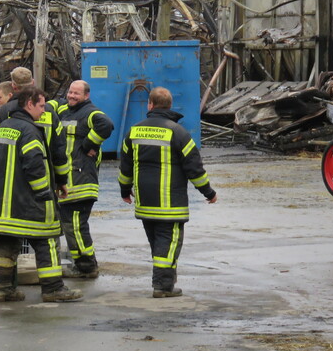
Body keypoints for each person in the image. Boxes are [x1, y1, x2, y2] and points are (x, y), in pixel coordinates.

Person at [0, 86, 82, 304]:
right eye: (40, 105)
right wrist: (45, 193)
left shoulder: (4, 127)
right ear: (29, 104)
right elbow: (35, 166)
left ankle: (1, 288)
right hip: (27, 201)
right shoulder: (31, 132)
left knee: (6, 244)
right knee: (47, 240)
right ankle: (53, 289)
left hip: (1, 204)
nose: (44, 110)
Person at [119, 86, 216, 298]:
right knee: (169, 243)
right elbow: (194, 168)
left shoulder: (134, 131)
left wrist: (125, 190)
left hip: (145, 202)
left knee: (158, 243)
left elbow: (125, 166)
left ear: (150, 105)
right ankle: (162, 287)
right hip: (170, 203)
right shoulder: (179, 133)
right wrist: (208, 192)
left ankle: (166, 283)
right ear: (170, 106)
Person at [55, 79, 114, 278]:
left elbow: (106, 124)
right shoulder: (64, 111)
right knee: (70, 227)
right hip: (67, 182)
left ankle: (87, 267)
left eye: (76, 94)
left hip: (81, 182)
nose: (71, 96)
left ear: (86, 96)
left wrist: (90, 143)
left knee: (75, 228)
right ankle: (83, 264)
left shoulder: (90, 112)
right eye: (70, 92)